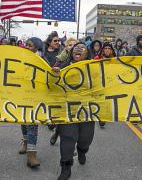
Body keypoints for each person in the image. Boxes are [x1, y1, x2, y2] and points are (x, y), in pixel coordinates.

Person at [52, 43, 95, 180]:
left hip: (87, 111)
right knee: (68, 139)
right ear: (71, 53)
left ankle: (82, 151)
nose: (78, 49)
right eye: (76, 47)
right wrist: (55, 74)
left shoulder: (95, 69)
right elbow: (50, 83)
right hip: (68, 110)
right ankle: (66, 168)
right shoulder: (63, 68)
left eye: (83, 48)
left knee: (85, 139)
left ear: (87, 54)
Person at [18, 37, 43, 168]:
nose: (27, 47)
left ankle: (31, 154)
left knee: (32, 125)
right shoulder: (18, 59)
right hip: (21, 95)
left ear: (37, 48)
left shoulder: (41, 61)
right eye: (27, 44)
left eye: (31, 45)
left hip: (35, 98)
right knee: (23, 122)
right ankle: (26, 142)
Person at [49, 37, 77, 146]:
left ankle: (72, 145)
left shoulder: (82, 59)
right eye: (69, 45)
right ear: (66, 47)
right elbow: (53, 70)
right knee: (63, 117)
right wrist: (57, 69)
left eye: (74, 45)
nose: (72, 47)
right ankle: (57, 132)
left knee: (73, 120)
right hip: (63, 92)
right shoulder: (61, 59)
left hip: (76, 94)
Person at [94, 42, 116, 128]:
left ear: (111, 51)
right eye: (105, 48)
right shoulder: (97, 58)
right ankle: (101, 118)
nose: (107, 50)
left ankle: (103, 116)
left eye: (109, 49)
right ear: (103, 50)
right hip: (99, 82)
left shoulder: (115, 60)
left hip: (110, 83)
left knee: (108, 100)